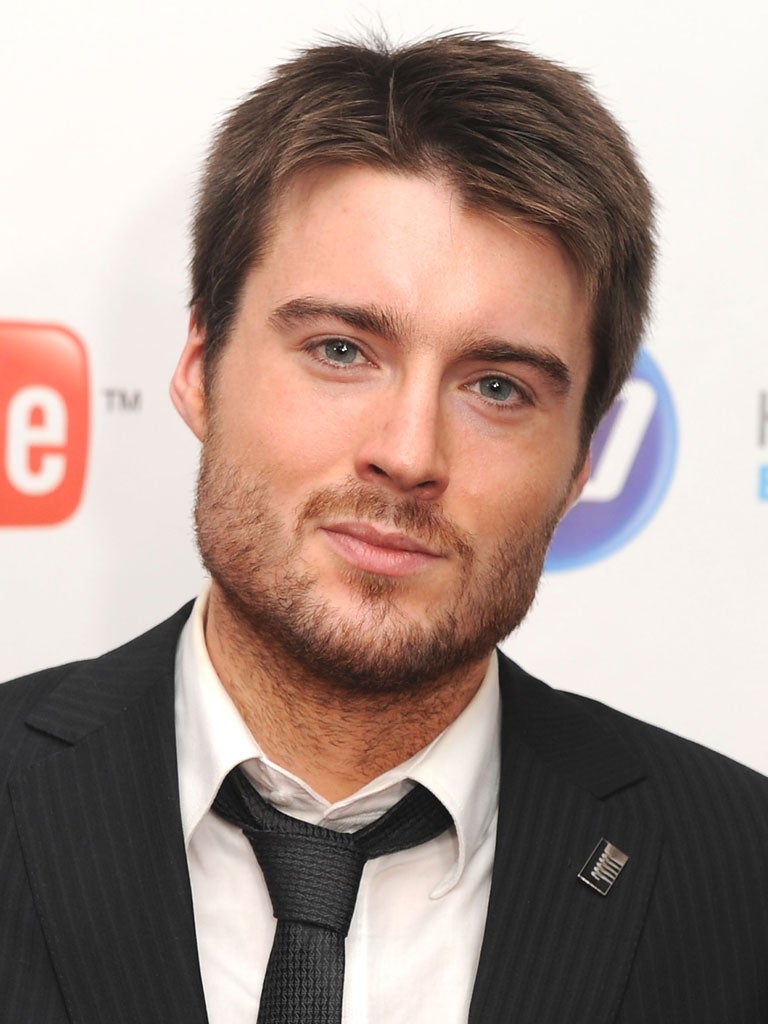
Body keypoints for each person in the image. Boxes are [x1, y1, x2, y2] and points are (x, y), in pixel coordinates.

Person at [1, 32, 766, 1024]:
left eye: (498, 387)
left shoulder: (741, 879)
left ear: (583, 460)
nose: (408, 454)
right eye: (340, 349)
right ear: (199, 369)